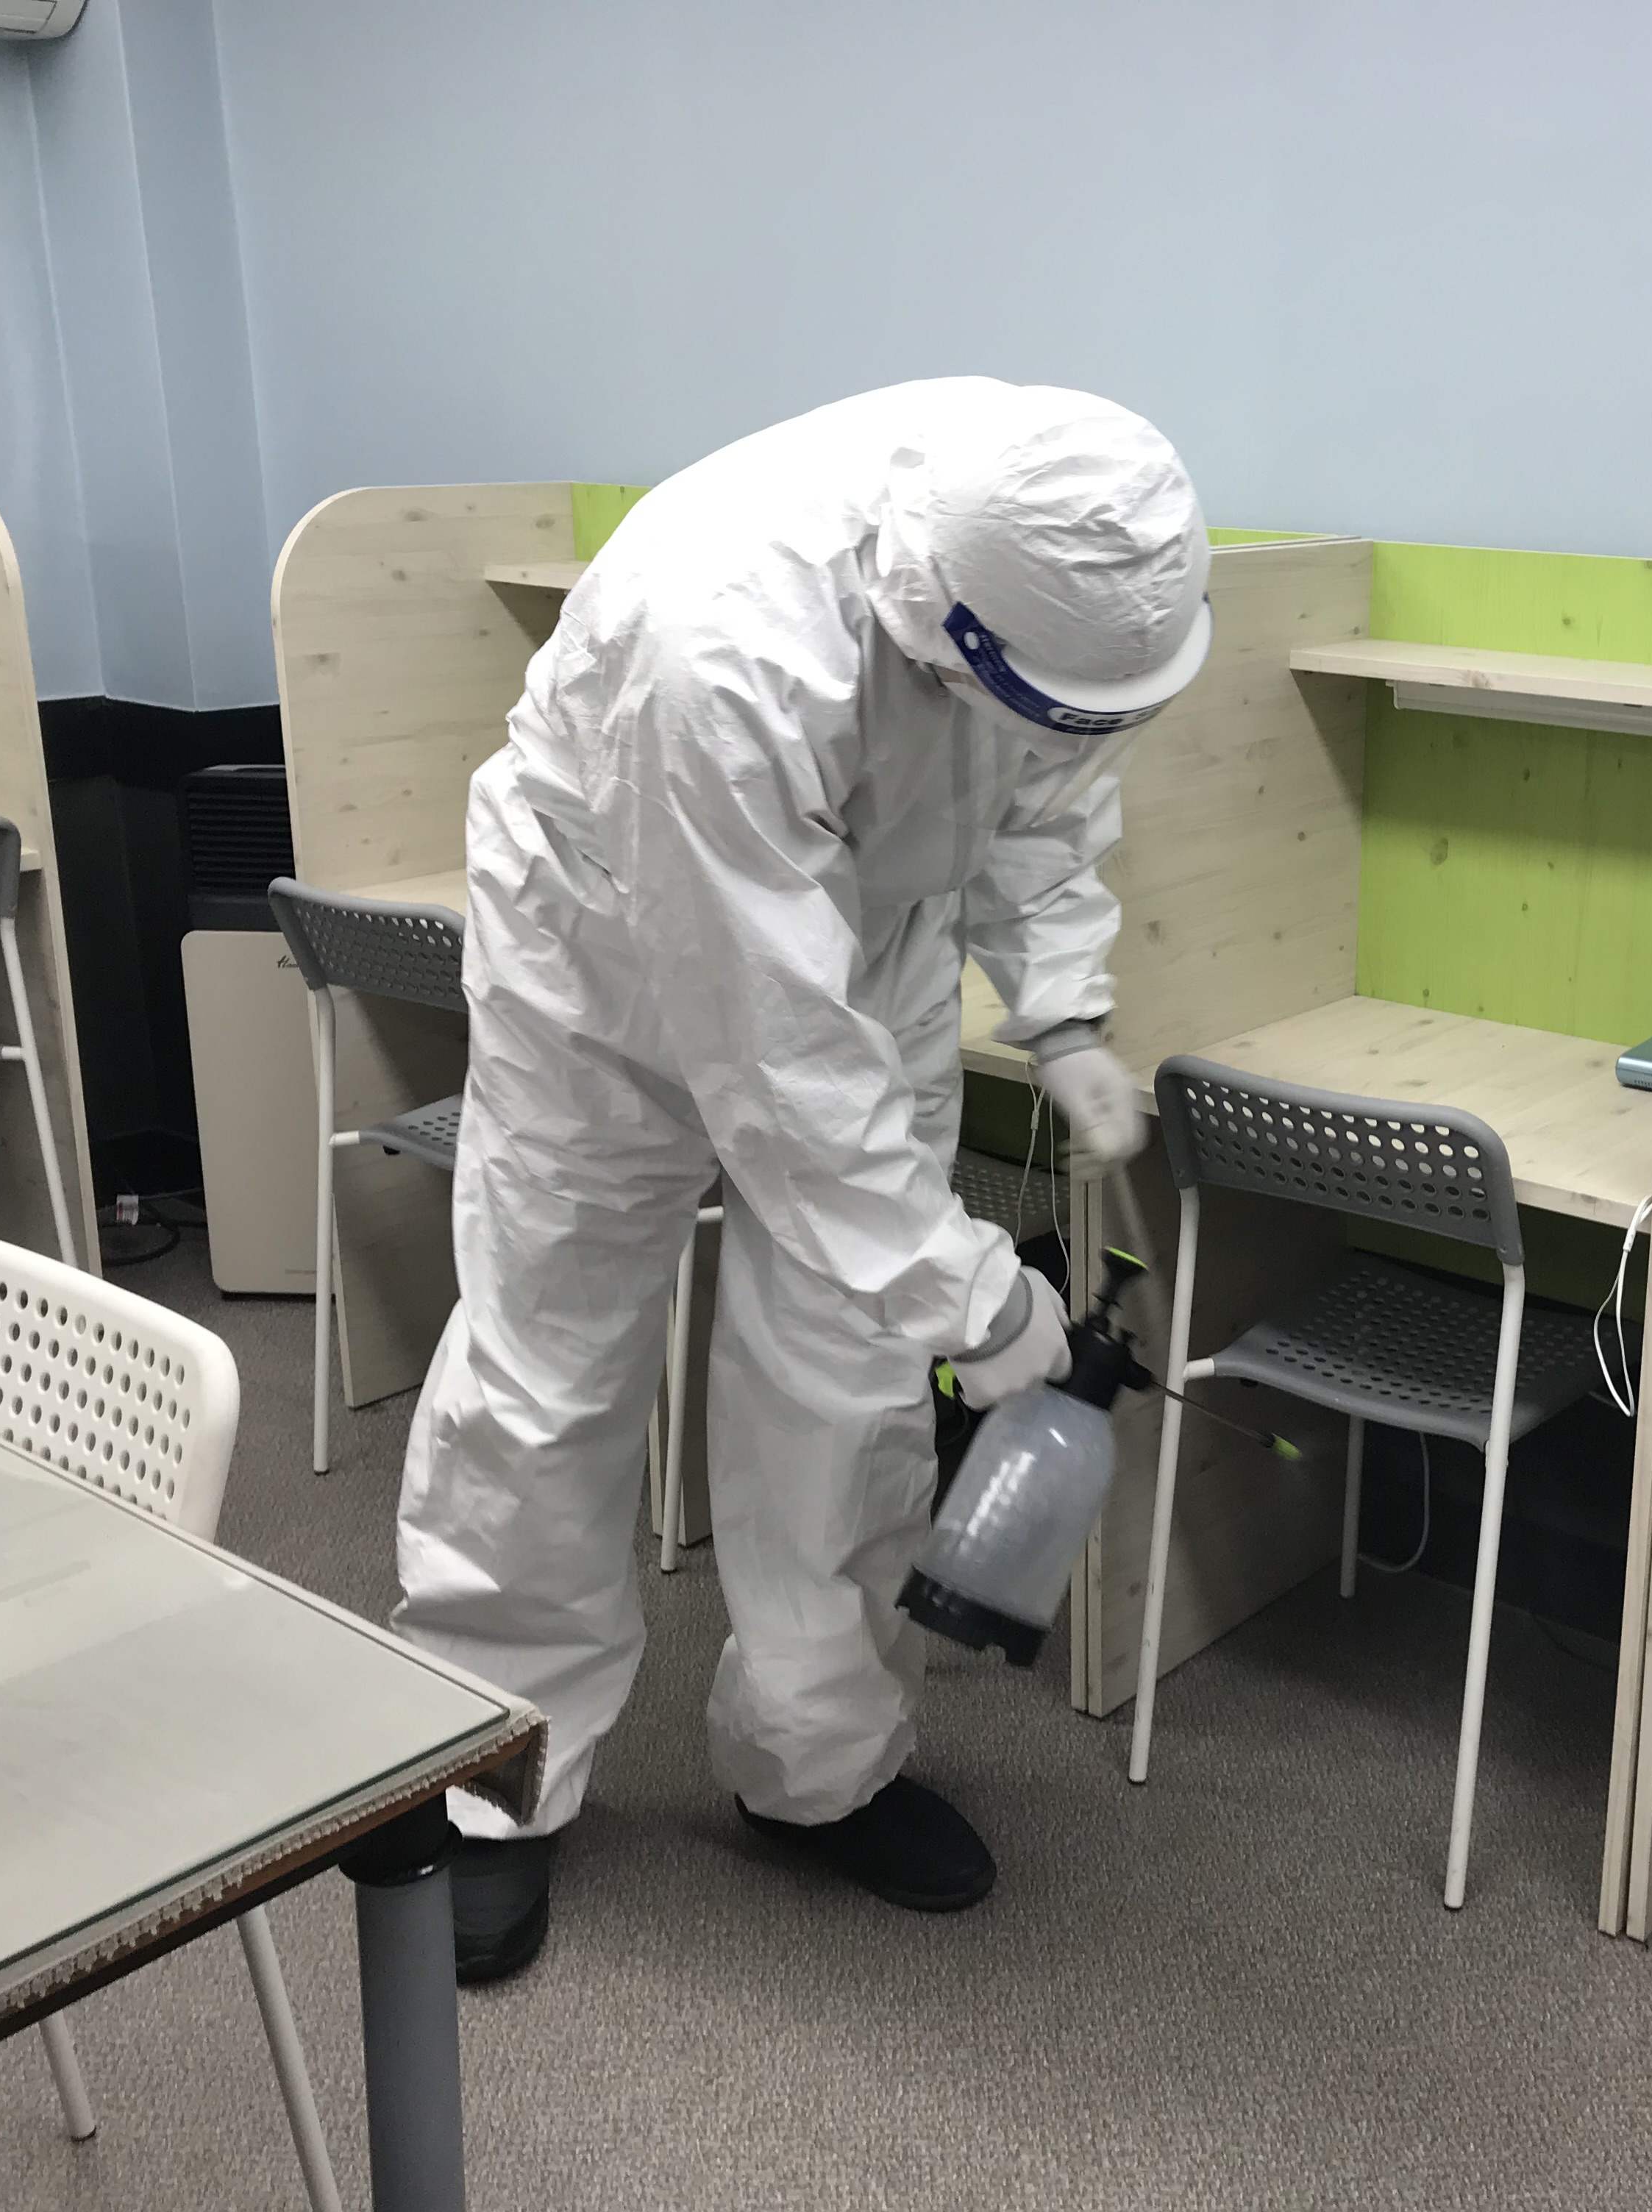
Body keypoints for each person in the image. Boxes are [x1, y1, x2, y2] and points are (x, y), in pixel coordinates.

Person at [391, 379, 1210, 1979]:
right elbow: (779, 1069)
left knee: (848, 1379)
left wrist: (1062, 1009)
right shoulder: (724, 644)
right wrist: (979, 1299)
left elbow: (1048, 779)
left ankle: (820, 1769)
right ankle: (491, 1783)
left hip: (871, 928)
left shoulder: (1070, 548)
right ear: (943, 626)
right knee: (553, 1362)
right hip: (603, 942)